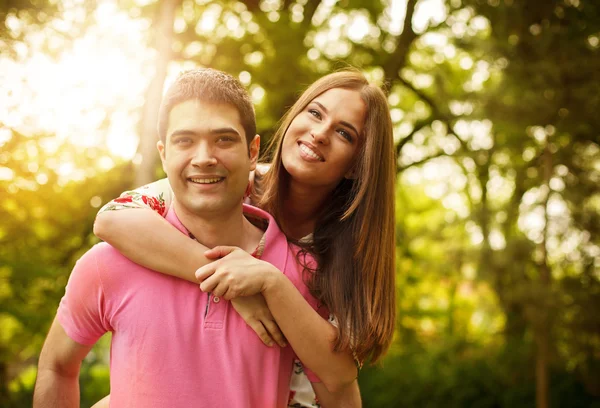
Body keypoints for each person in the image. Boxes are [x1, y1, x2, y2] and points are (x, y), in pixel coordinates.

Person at [34, 69, 358, 408]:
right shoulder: (107, 263)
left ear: (252, 152)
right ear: (164, 154)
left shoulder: (305, 274)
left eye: (224, 139)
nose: (204, 158)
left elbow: (339, 389)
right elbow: (56, 367)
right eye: (185, 140)